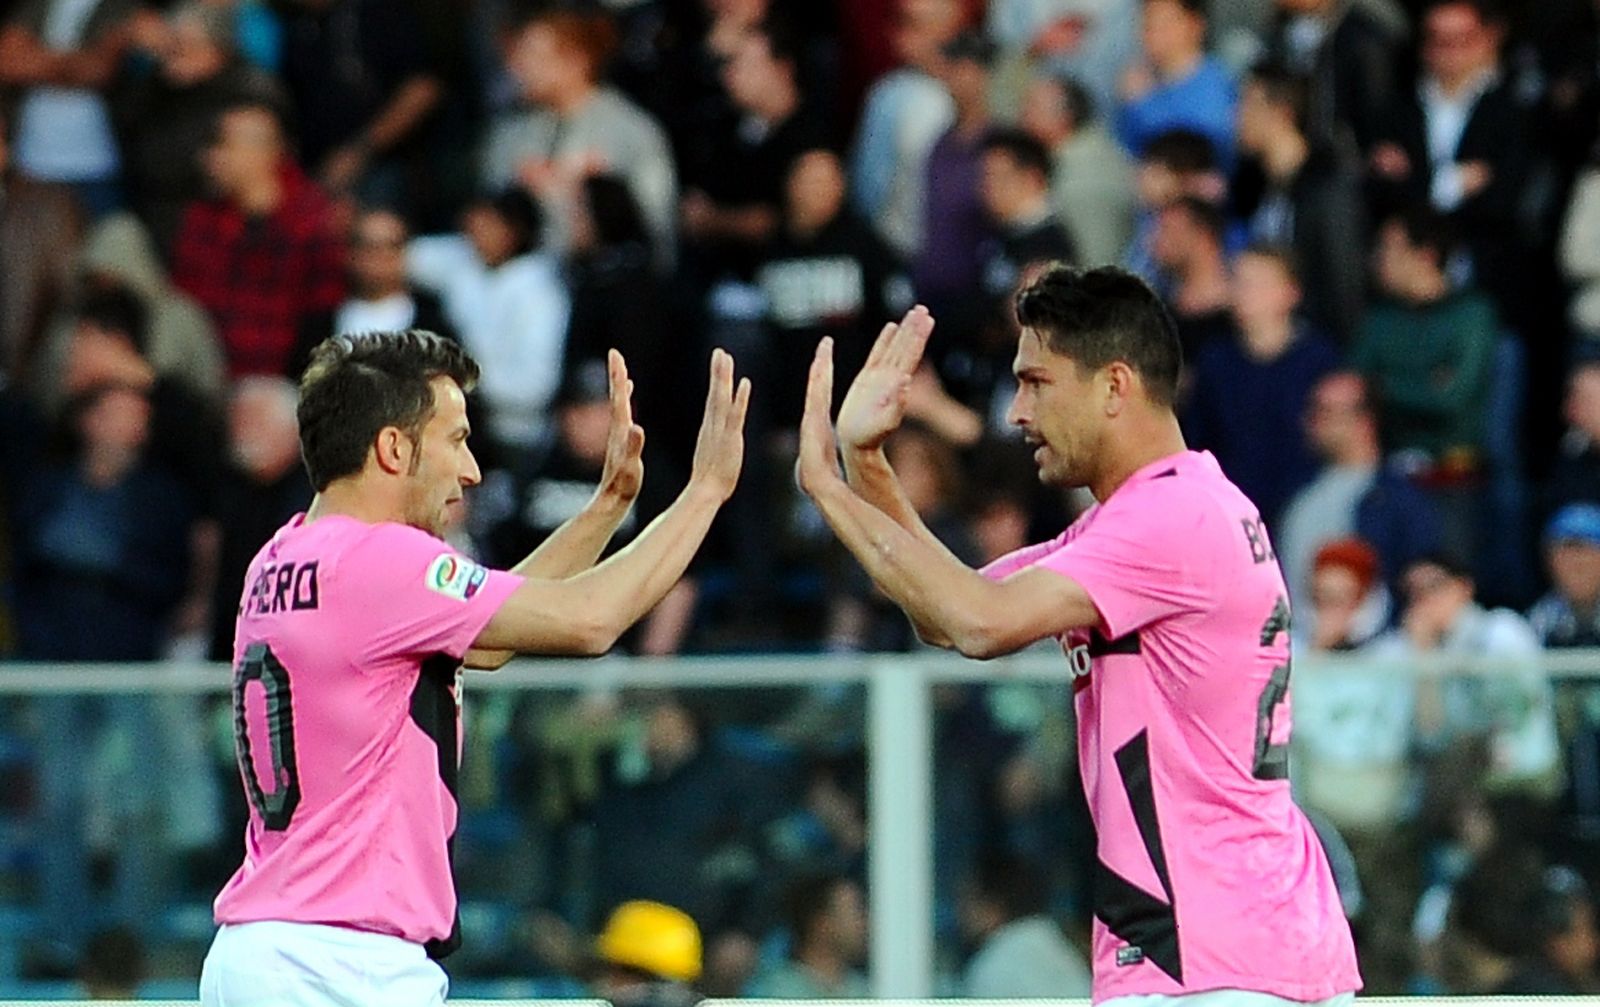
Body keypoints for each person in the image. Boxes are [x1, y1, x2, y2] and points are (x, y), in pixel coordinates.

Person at [793, 270, 1361, 1002]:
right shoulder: (1157, 514)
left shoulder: (1169, 520)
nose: (1018, 413)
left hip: (1212, 959)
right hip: (1239, 944)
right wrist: (866, 466)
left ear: (1114, 386)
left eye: (1036, 383)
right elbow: (949, 608)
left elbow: (977, 621)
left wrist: (832, 488)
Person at [197, 330, 750, 1007]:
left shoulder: (280, 557)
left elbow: (487, 637)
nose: (471, 470)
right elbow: (590, 620)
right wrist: (705, 494)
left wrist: (605, 510)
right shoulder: (381, 562)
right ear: (393, 448)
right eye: (455, 438)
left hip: (265, 948)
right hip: (342, 962)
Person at [959, 851, 1092, 997]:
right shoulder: (1058, 948)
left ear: (993, 907)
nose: (960, 912)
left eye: (966, 900)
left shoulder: (995, 965)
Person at [747, 874, 869, 998]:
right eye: (857, 912)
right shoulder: (775, 993)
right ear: (822, 924)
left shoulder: (866, 991)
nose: (866, 923)